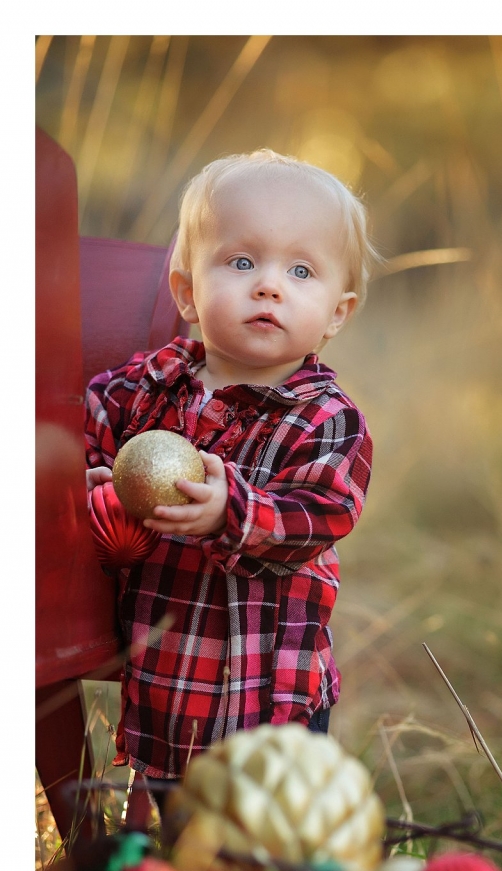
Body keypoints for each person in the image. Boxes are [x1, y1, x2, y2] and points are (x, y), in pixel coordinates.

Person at [85, 150, 377, 780]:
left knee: (262, 846)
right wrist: (90, 488)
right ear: (188, 292)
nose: (268, 284)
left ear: (336, 313)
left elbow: (320, 515)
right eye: (242, 262)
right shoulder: (140, 392)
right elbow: (84, 447)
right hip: (164, 685)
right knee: (178, 833)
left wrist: (231, 510)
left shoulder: (327, 421)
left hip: (268, 696)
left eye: (301, 270)